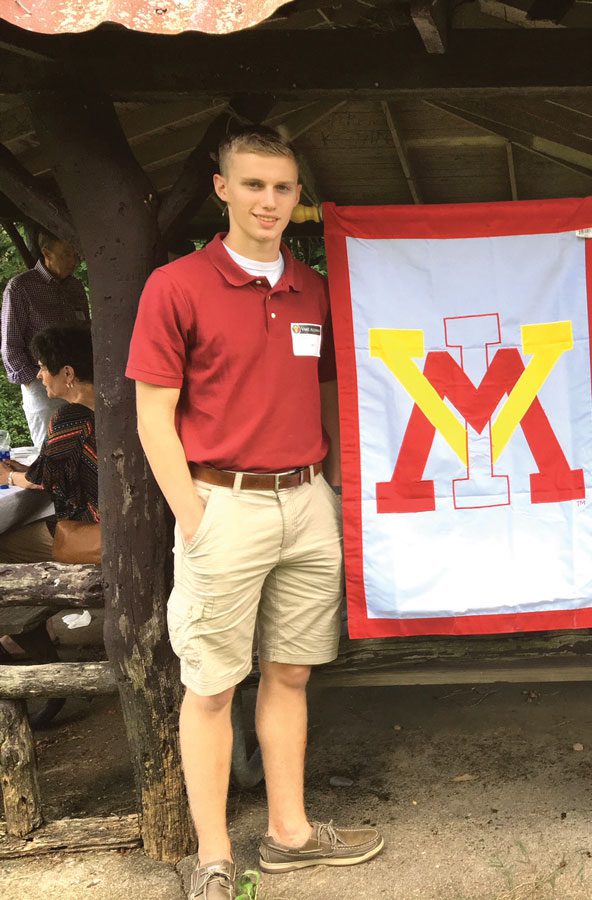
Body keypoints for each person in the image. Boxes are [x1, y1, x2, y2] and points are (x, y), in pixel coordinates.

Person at [127, 126, 381, 900]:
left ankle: (290, 834)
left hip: (306, 501)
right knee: (208, 686)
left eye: (283, 187)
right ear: (222, 189)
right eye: (254, 185)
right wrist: (193, 515)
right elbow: (151, 415)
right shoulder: (176, 286)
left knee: (292, 672)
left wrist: (330, 483)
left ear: (297, 196)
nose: (269, 200)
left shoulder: (312, 289)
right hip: (222, 503)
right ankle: (212, 855)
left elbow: (333, 392)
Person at [0, 325, 97, 560]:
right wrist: (27, 469)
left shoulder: (71, 418)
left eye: (42, 366)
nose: (38, 375)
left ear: (68, 373)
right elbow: (59, 466)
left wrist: (8, 477)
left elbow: (43, 482)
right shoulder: (108, 405)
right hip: (118, 517)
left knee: (4, 544)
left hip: (92, 528)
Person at [1, 231, 90, 448]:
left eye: (76, 254)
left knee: (85, 446)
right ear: (46, 252)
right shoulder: (21, 287)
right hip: (43, 385)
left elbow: (86, 332)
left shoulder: (76, 288)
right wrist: (36, 381)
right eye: (67, 254)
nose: (74, 261)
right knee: (50, 450)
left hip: (79, 383)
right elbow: (10, 346)